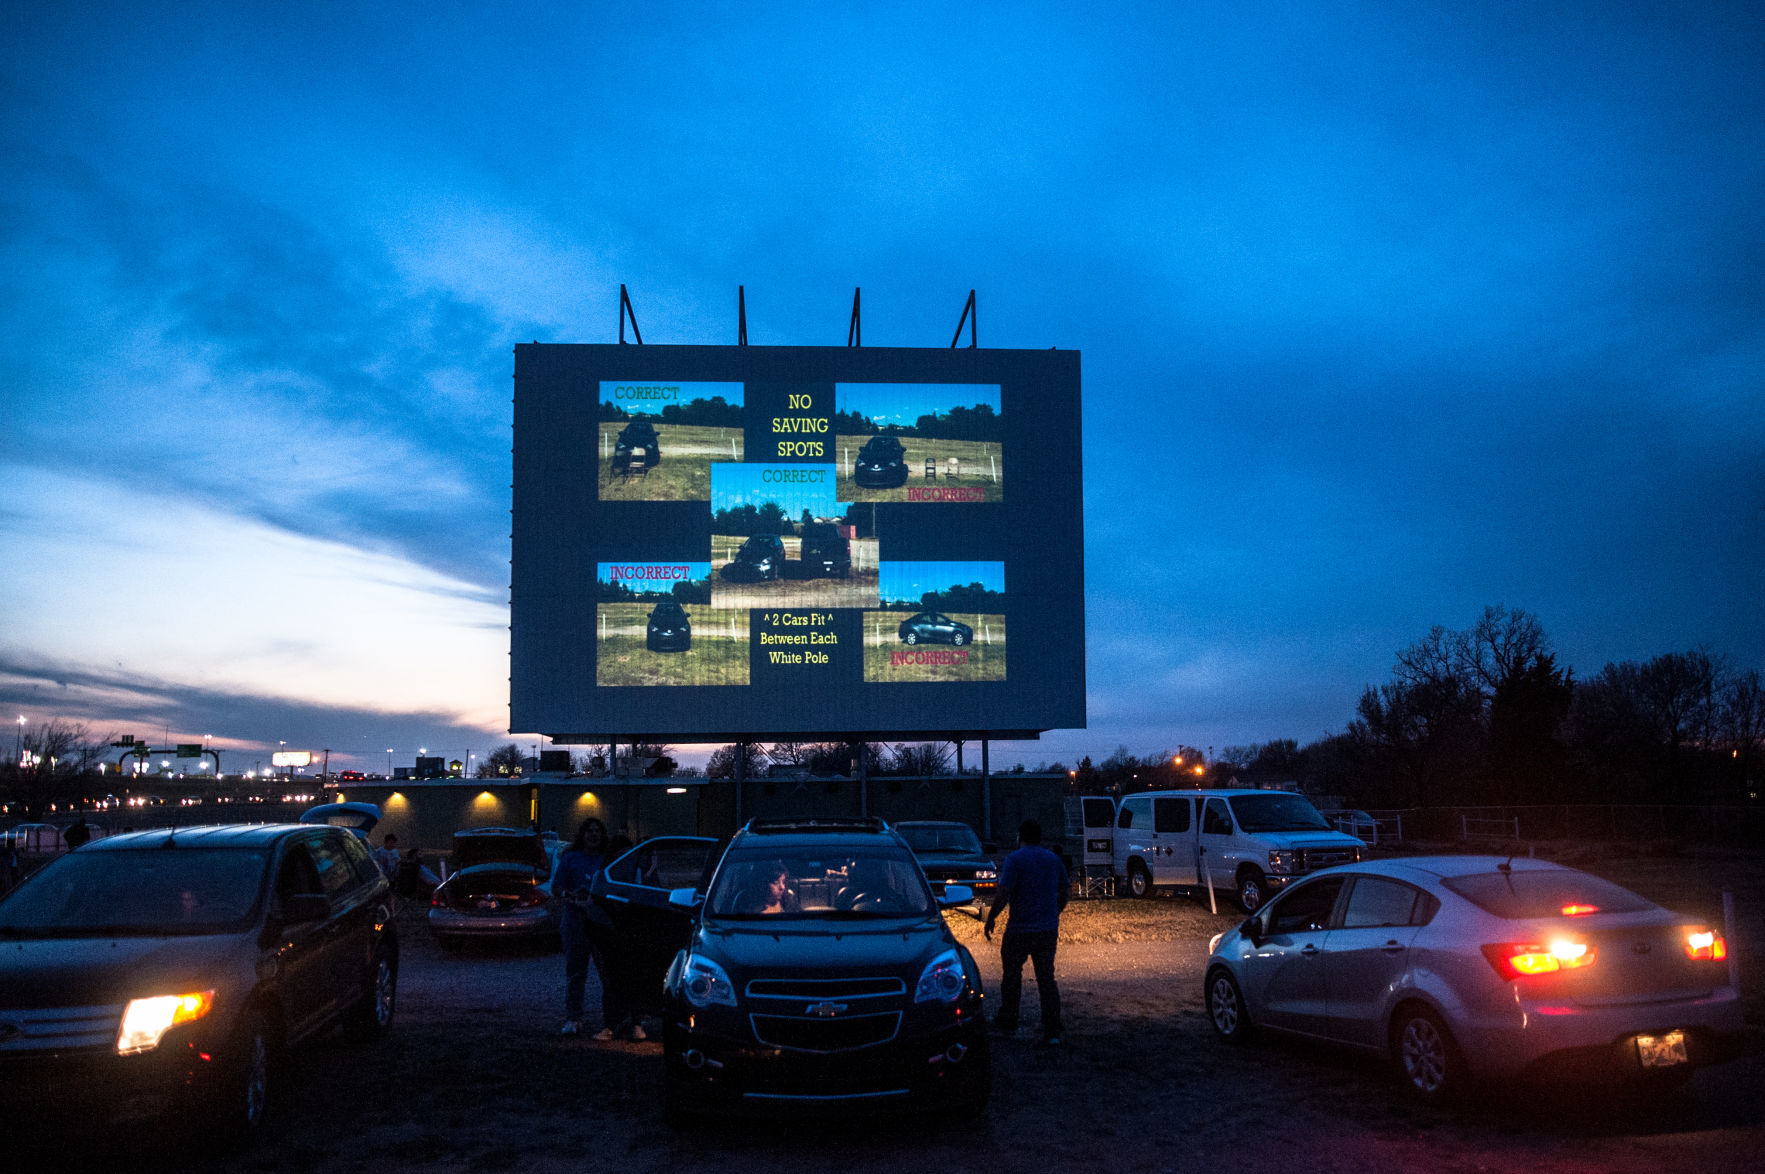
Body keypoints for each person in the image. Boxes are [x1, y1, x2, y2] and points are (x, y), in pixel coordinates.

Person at [983, 819, 1069, 1045]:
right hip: (1047, 929)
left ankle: (1009, 1018)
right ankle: (1052, 1026)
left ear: (1020, 836)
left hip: (1019, 928)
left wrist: (991, 917)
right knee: (1046, 978)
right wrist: (1055, 912)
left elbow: (1003, 893)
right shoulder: (1053, 859)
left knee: (1011, 975)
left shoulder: (1014, 860)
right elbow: (1065, 889)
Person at [550, 818, 624, 1038]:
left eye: (597, 831)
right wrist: (571, 895)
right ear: (582, 835)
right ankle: (573, 1018)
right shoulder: (571, 858)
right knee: (575, 972)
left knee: (607, 974)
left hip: (601, 923)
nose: (593, 835)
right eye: (589, 831)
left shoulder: (607, 861)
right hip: (575, 922)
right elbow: (556, 888)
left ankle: (611, 1021)